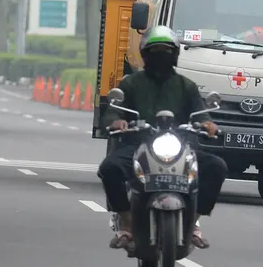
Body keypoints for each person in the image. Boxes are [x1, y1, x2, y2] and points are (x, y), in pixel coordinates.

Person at [97, 26, 227, 252]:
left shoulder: (186, 86)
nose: (161, 56)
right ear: (145, 54)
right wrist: (117, 121)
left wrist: (208, 124)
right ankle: (126, 224)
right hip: (139, 144)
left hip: (180, 145)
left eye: (165, 51)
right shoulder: (131, 83)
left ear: (174, 54)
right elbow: (113, 110)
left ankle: (194, 221)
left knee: (217, 167)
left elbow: (200, 113)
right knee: (110, 167)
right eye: (155, 50)